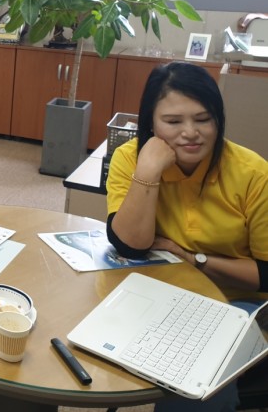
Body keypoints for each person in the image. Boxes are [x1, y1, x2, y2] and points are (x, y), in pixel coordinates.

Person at [106, 61, 268, 410]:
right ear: (151, 123)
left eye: (203, 119)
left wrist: (194, 259)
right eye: (173, 121)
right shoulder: (130, 159)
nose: (191, 133)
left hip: (236, 302)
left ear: (218, 120)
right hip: (159, 291)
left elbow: (266, 273)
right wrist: (148, 169)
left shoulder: (253, 173)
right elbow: (130, 245)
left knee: (195, 379)